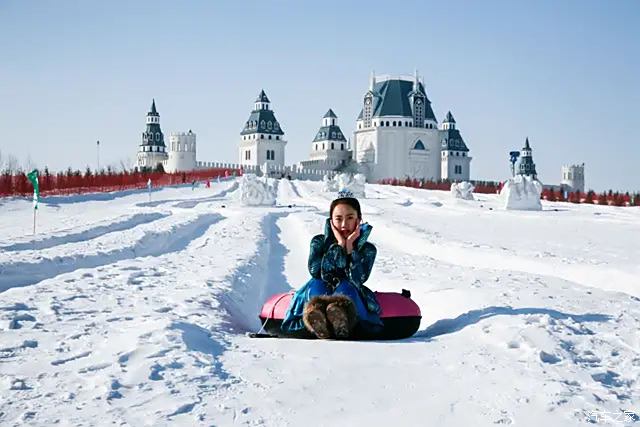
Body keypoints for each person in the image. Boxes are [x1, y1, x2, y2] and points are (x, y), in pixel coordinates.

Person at [281, 189, 383, 339]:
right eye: (338, 218)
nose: (344, 224)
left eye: (350, 218)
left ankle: (340, 319)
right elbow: (316, 272)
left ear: (358, 220)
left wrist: (349, 249)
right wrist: (339, 245)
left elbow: (358, 279)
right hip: (320, 285)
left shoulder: (368, 250)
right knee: (318, 285)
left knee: (346, 288)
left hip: (350, 289)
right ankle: (318, 320)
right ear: (331, 221)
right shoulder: (318, 242)